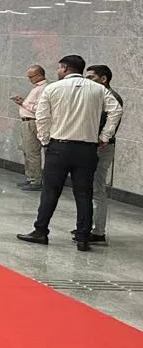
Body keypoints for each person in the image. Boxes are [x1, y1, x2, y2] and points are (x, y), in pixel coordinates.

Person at [18, 54, 122, 252]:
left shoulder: (53, 88)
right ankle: (83, 237)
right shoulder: (98, 89)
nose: (57, 71)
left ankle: (41, 231)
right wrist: (104, 136)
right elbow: (115, 111)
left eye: (59, 68)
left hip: (59, 147)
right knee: (84, 193)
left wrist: (45, 140)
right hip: (87, 149)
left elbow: (42, 116)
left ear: (64, 68)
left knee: (50, 192)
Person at [84, 64, 122, 244]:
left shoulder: (111, 97)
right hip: (91, 146)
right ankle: (87, 225)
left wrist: (102, 138)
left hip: (102, 147)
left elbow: (107, 123)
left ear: (103, 79)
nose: (86, 81)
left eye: (91, 77)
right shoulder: (96, 95)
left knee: (97, 188)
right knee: (89, 188)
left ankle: (98, 231)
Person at [11, 64, 48, 192]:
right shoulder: (36, 88)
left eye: (31, 76)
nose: (30, 79)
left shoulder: (43, 88)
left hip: (33, 122)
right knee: (27, 150)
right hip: (27, 122)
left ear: (39, 75)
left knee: (32, 151)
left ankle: (35, 180)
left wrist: (23, 103)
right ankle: (30, 177)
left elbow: (39, 108)